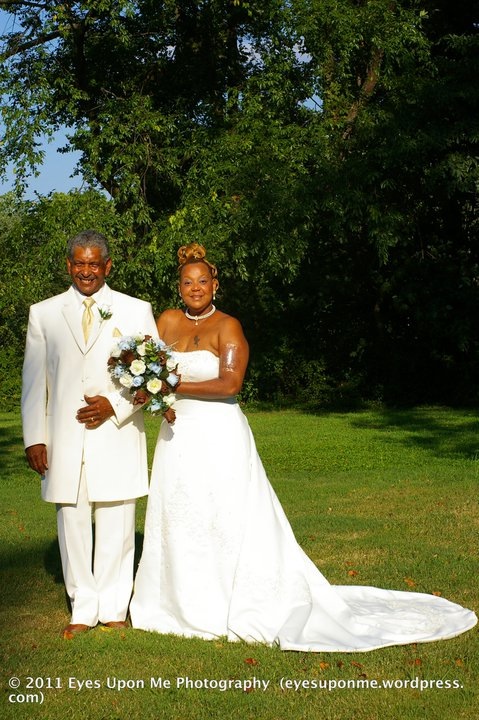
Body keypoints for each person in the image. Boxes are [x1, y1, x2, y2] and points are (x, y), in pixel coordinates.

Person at [129, 242, 477, 651]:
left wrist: (172, 384)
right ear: (179, 287)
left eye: (203, 281)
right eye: (188, 282)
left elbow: (230, 384)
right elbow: (145, 366)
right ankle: (177, 603)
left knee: (225, 514)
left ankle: (233, 601)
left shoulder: (228, 327)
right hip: (177, 434)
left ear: (215, 285)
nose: (195, 288)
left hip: (219, 434)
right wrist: (151, 388)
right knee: (179, 511)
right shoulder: (167, 321)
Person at [21, 230, 157, 638]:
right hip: (63, 438)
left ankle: (114, 607)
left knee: (117, 520)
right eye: (79, 263)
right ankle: (82, 607)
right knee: (72, 520)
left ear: (107, 266)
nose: (86, 271)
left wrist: (114, 406)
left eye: (93, 263)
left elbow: (154, 376)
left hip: (116, 431)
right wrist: (34, 438)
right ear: (69, 265)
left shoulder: (135, 310)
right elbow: (34, 382)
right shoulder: (44, 313)